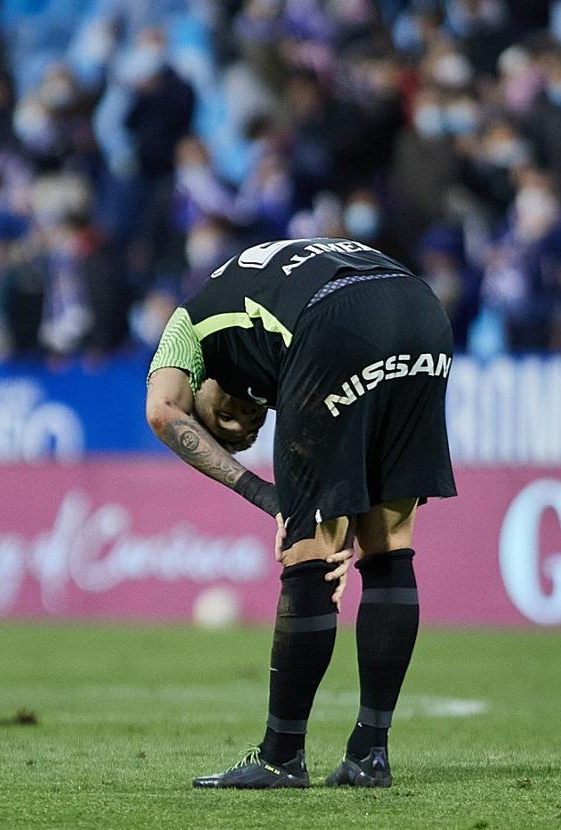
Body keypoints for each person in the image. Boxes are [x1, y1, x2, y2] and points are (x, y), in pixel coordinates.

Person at [144, 238, 456, 788]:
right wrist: (339, 514)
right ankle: (369, 755)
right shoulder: (258, 311)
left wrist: (272, 499)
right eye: (241, 428)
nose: (241, 423)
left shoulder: (188, 326)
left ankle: (280, 757)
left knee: (307, 546)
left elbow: (161, 411)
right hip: (421, 309)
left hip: (339, 317)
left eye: (228, 418)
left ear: (201, 385)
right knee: (390, 539)